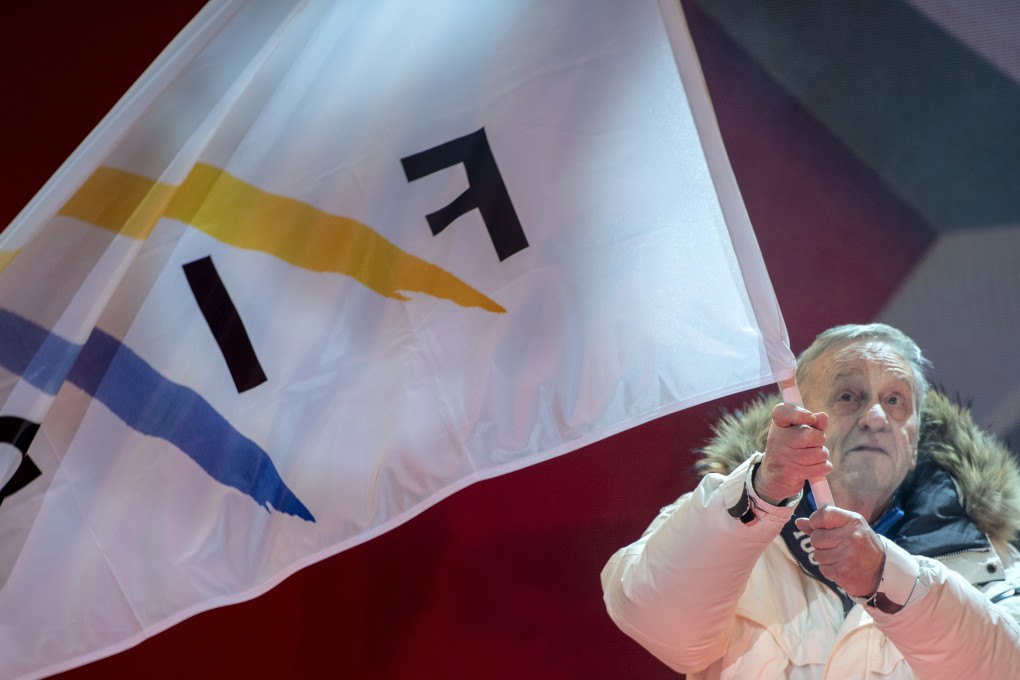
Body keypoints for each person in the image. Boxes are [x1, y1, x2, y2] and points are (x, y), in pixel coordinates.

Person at [602, 323, 1020, 678]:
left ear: (914, 440)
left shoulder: (995, 568)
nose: (875, 417)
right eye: (847, 396)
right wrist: (761, 492)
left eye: (895, 401)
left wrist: (886, 577)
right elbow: (660, 626)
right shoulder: (717, 520)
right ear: (799, 415)